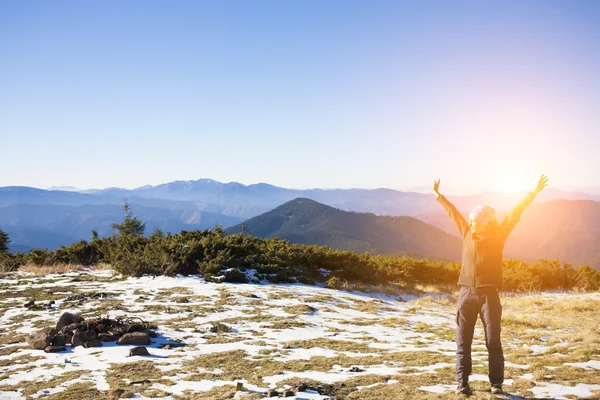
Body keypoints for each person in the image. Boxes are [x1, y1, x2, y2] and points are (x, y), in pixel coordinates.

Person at [433, 175, 548, 395]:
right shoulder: (467, 232)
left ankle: (496, 384)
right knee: (462, 342)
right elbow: (452, 213)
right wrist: (439, 195)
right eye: (472, 220)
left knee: (493, 341)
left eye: (475, 220)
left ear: (485, 221)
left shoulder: (498, 236)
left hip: (489, 296)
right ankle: (462, 384)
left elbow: (515, 214)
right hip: (466, 294)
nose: (472, 223)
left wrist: (533, 193)